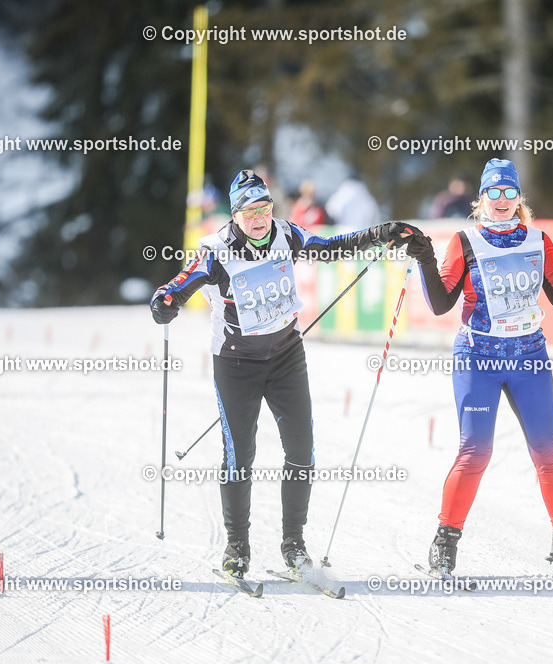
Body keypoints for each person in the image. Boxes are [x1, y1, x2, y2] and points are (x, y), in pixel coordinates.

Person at [150, 170, 420, 577]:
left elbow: (332, 247)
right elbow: (176, 287)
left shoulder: (287, 234)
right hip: (236, 365)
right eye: (249, 212)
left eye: (265, 209)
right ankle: (237, 546)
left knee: (301, 452)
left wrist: (381, 233)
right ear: (235, 215)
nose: (260, 219)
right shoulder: (215, 251)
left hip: (286, 358)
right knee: (239, 457)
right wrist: (164, 301)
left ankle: (293, 544)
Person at [403, 158, 553, 577]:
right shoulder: (466, 241)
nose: (502, 200)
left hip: (529, 356)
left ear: (519, 198)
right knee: (476, 450)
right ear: (482, 198)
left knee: (548, 450)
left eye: (510, 192)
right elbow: (440, 304)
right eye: (494, 192)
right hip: (479, 356)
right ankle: (444, 543)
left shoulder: (538, 240)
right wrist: (425, 260)